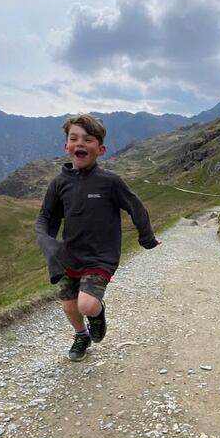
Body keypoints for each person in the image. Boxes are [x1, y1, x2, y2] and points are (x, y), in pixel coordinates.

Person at [35, 114, 161, 361]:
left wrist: (147, 239)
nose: (80, 143)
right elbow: (45, 218)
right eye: (74, 138)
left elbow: (135, 206)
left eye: (88, 139)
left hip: (101, 257)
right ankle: (81, 335)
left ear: (100, 149)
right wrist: (49, 244)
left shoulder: (110, 182)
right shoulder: (58, 184)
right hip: (70, 256)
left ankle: (97, 313)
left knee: (87, 305)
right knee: (69, 306)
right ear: (66, 146)